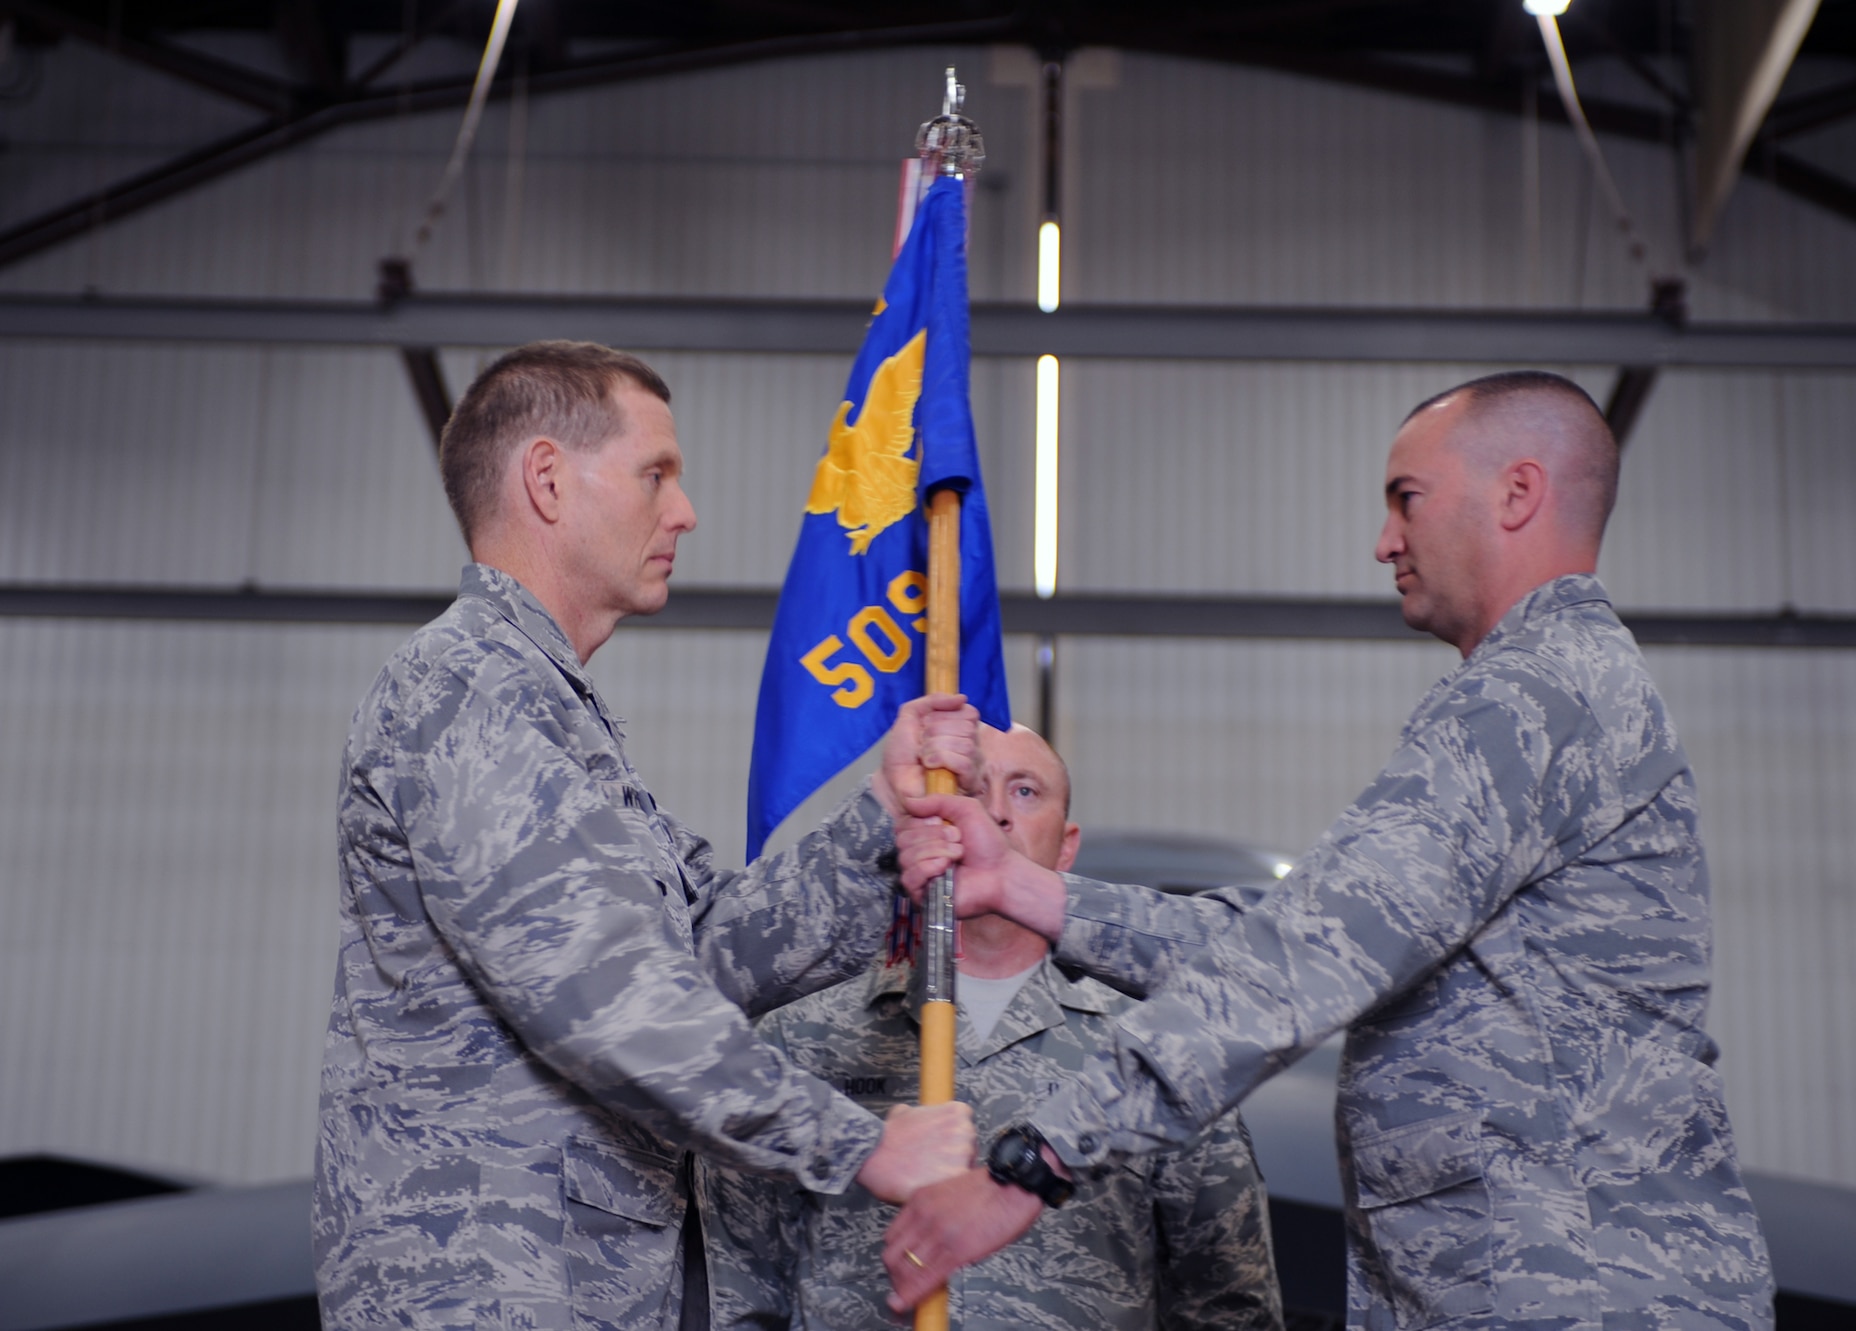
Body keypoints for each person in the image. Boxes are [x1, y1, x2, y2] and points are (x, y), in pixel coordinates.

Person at [885, 371, 1776, 1330]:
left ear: (1518, 493)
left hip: (1579, 1289)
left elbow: (1304, 958)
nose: (1385, 540)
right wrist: (1023, 886)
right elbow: (1297, 931)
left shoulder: (1536, 696)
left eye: (1408, 498)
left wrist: (1036, 1161)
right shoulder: (1543, 692)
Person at [314, 340, 981, 1331]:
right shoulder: (466, 685)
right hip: (488, 1285)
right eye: (654, 473)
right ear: (546, 478)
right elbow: (609, 994)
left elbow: (702, 950)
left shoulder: (555, 713)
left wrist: (881, 827)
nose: (685, 511)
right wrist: (855, 1142)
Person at [697, 723, 1285, 1331]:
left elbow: (1227, 1303)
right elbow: (741, 1289)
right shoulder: (801, 1034)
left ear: (1067, 846)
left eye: (1026, 792)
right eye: (972, 789)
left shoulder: (1156, 1041)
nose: (998, 814)